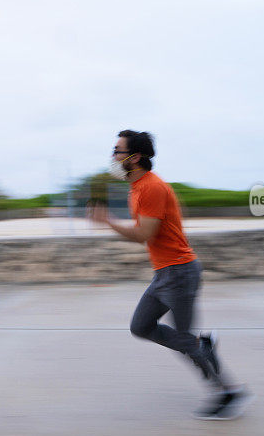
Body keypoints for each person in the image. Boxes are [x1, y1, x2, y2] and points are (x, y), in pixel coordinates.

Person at [87, 129, 252, 420]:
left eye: (117, 151)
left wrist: (107, 222)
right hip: (166, 273)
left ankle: (228, 391)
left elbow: (143, 234)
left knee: (185, 341)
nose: (112, 157)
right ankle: (204, 347)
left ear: (135, 158)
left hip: (178, 273)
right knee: (141, 326)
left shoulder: (150, 187)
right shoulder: (138, 188)